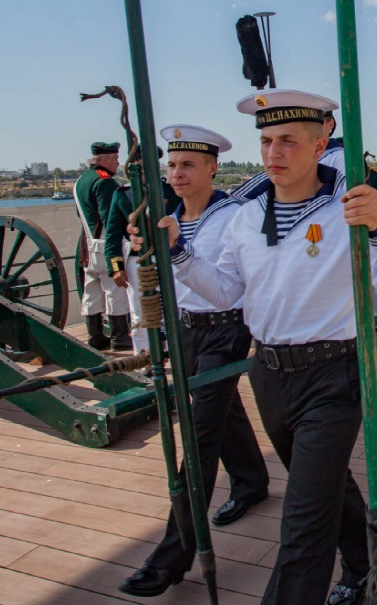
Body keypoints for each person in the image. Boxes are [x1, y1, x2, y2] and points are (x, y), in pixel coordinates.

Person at [159, 91, 377, 604]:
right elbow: (229, 292)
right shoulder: (244, 214)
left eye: (287, 141)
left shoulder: (351, 206)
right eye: (265, 141)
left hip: (334, 377)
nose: (273, 153)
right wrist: (180, 254)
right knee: (325, 489)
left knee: (301, 526)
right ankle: (366, 565)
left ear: (321, 142)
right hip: (270, 376)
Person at [118, 125, 271, 599]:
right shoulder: (166, 217)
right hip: (185, 330)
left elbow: (234, 284)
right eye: (172, 166)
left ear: (212, 167)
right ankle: (251, 480)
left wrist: (178, 252)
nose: (178, 174)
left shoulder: (235, 217)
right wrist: (138, 250)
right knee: (217, 411)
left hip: (225, 330)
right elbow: (141, 279)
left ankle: (171, 557)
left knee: (199, 436)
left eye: (188, 165)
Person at [105, 146, 181, 352]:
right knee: (139, 312)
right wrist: (116, 267)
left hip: (170, 258)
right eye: (140, 164)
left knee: (174, 307)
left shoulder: (171, 192)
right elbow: (112, 235)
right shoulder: (123, 195)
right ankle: (144, 356)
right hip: (137, 261)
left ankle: (173, 351)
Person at [74, 141, 128, 350]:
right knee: (115, 290)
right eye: (115, 159)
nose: (117, 163)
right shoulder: (104, 182)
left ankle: (95, 336)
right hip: (105, 243)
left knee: (92, 291)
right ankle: (120, 337)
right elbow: (111, 217)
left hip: (87, 244)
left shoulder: (80, 181)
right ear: (104, 160)